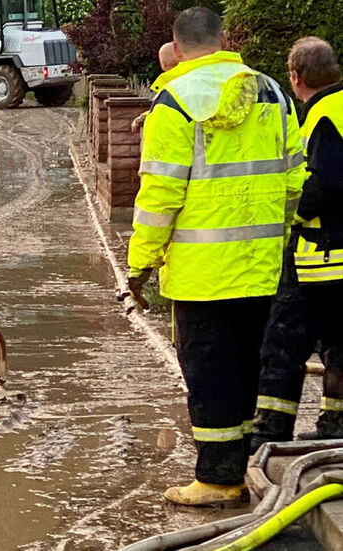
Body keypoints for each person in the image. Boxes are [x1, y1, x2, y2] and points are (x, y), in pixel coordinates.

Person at [125, 7, 305, 506]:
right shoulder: (272, 93)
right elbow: (295, 178)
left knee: (210, 373)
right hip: (263, 265)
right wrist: (276, 233)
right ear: (225, 40)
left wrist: (140, 263)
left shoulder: (174, 103)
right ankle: (242, 465)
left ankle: (218, 479)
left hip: (202, 274)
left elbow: (160, 197)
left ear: (177, 49)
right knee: (249, 366)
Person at [253, 37, 343, 449]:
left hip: (321, 255)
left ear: (295, 76)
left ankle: (271, 433)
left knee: (283, 343)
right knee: (338, 345)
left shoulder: (322, 115)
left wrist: (292, 213)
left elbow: (325, 182)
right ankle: (335, 427)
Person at [132, 42, 180, 133]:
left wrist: (142, 117)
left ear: (163, 64)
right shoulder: (195, 79)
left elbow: (163, 111)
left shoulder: (170, 87)